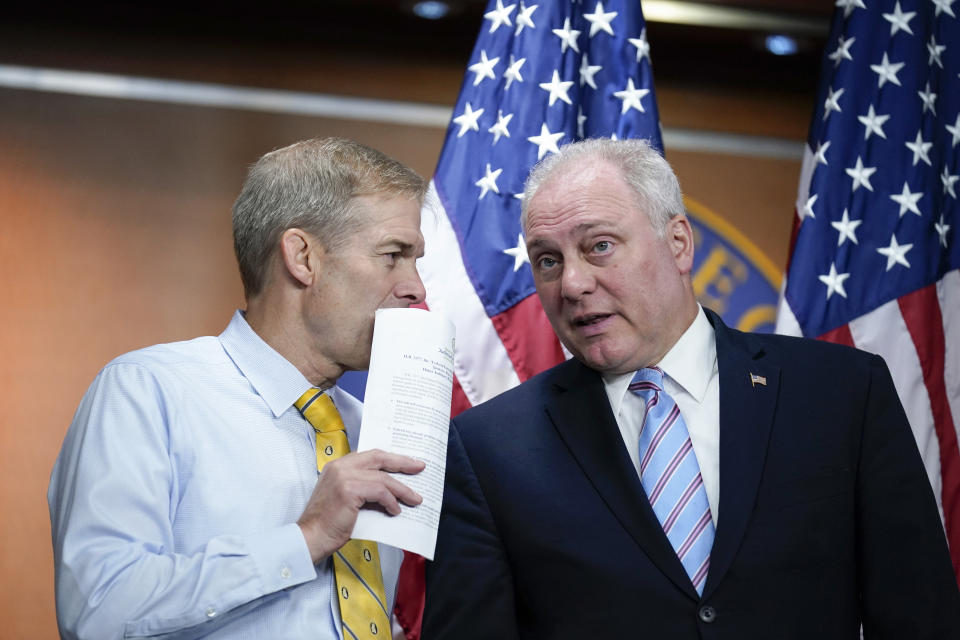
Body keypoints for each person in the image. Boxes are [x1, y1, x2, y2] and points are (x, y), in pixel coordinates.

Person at [422, 138, 960, 639]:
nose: (572, 284)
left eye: (600, 246)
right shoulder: (488, 449)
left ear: (678, 243)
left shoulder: (842, 394)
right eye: (547, 260)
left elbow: (920, 615)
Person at [49, 137, 430, 639]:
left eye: (415, 260)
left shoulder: (373, 427)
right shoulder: (149, 392)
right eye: (393, 255)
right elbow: (98, 610)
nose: (416, 287)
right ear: (303, 257)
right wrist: (305, 538)